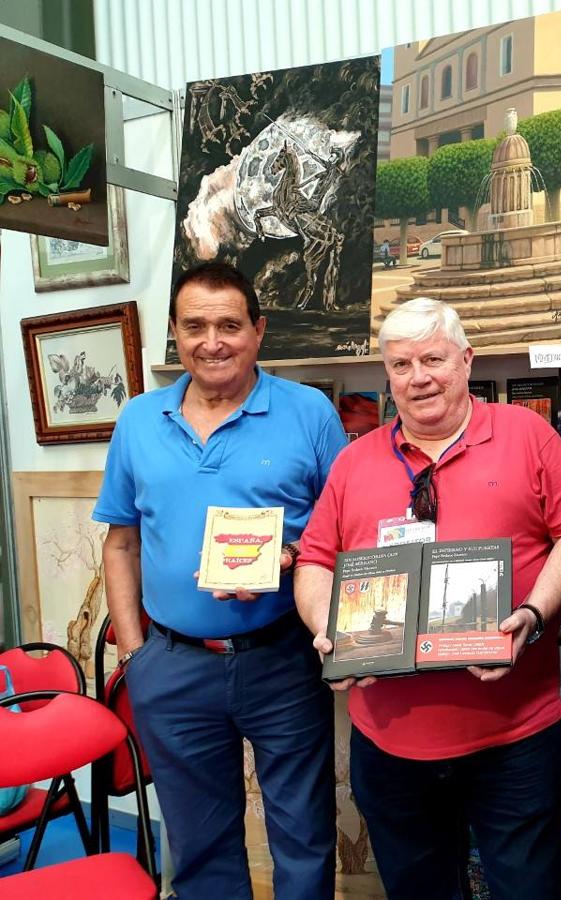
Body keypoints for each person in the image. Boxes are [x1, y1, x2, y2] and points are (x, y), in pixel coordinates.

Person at [294, 297, 561, 900]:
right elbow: (314, 561)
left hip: (516, 738)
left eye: (433, 358)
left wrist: (533, 616)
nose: (419, 377)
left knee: (532, 888)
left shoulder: (528, 434)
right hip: (389, 744)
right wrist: (327, 630)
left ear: (465, 360)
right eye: (402, 364)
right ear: (388, 375)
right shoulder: (354, 462)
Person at [94, 262, 346, 899]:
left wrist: (287, 558)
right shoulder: (138, 420)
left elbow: (348, 531)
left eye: (230, 325)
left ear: (258, 331)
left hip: (282, 659)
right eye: (196, 326)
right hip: (173, 667)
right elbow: (120, 541)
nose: (214, 341)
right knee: (200, 843)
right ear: (175, 334)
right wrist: (134, 652)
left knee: (302, 833)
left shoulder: (309, 412)